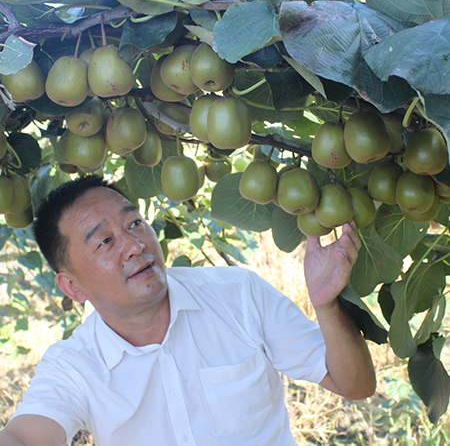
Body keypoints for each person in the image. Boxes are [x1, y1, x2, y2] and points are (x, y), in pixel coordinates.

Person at [0, 175, 375, 446]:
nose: (134, 245)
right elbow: (25, 435)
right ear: (72, 286)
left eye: (135, 223)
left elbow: (355, 385)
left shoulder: (237, 295)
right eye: (105, 241)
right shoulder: (74, 366)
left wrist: (325, 306)